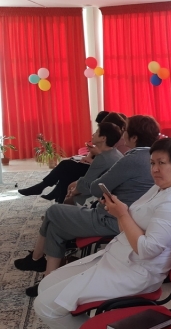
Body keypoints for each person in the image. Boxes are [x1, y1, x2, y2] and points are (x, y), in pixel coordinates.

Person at [33, 138, 171, 329]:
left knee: (45, 306)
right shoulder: (162, 187)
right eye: (152, 163)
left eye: (161, 163)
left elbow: (147, 250)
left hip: (136, 272)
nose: (154, 169)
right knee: (46, 285)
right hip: (119, 257)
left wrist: (122, 214)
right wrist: (118, 211)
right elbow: (132, 221)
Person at [14, 115, 159, 296]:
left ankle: (36, 259)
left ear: (134, 137)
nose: (123, 134)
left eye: (126, 130)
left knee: (53, 211)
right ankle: (48, 280)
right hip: (128, 219)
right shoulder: (153, 157)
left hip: (112, 219)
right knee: (56, 227)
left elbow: (96, 188)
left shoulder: (131, 159)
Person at [18, 112, 127, 202]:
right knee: (67, 170)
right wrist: (90, 156)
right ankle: (57, 199)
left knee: (66, 166)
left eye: (97, 132)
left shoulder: (117, 144)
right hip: (95, 166)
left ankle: (48, 190)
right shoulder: (111, 146)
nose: (93, 134)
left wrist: (75, 188)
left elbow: (93, 176)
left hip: (96, 172)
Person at [64, 122, 124, 206]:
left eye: (96, 132)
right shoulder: (115, 153)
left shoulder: (102, 158)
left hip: (101, 197)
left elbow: (86, 185)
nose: (93, 134)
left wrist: (73, 192)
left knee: (68, 200)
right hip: (109, 191)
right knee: (72, 185)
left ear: (103, 138)